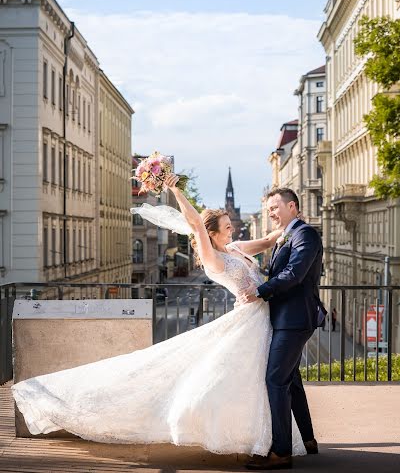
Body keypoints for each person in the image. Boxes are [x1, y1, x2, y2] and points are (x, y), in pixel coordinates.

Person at [10, 176, 309, 463]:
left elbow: (270, 239)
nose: (232, 232)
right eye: (227, 228)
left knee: (262, 382)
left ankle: (274, 439)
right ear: (212, 233)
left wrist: (293, 223)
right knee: (253, 381)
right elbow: (194, 223)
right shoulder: (212, 257)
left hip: (260, 318)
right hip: (249, 320)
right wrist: (175, 189)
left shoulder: (234, 249)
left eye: (231, 227)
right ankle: (262, 440)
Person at [239, 188, 323, 470]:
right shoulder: (289, 234)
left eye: (275, 207)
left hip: (295, 319)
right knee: (292, 379)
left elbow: (295, 274)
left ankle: (281, 452)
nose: (271, 213)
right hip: (287, 317)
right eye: (269, 209)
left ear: (292, 206)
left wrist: (260, 291)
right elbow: (280, 269)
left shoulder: (305, 234)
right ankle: (308, 440)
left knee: (275, 380)